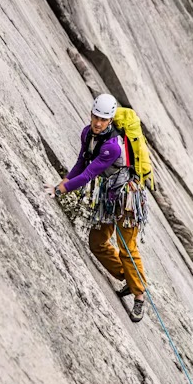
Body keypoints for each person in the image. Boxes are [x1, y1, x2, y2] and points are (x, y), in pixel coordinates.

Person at [48, 93, 148, 322]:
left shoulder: (112, 146)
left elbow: (88, 175)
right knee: (97, 243)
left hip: (127, 198)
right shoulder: (87, 133)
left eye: (103, 119)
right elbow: (81, 163)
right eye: (95, 117)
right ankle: (129, 279)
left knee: (127, 246)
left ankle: (140, 296)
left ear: (110, 120)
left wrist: (61, 190)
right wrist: (63, 181)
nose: (98, 122)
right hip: (109, 195)